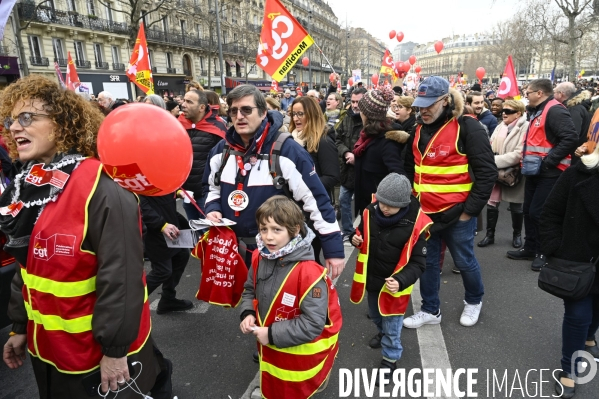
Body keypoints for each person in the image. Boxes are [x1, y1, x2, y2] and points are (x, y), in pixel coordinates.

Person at [0, 75, 172, 398]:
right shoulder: (31, 184)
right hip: (50, 355)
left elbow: (122, 277)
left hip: (99, 362)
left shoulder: (102, 187)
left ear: (63, 121)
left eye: (27, 118)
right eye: (11, 120)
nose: (14, 128)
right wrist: (20, 326)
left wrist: (116, 351)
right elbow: (29, 266)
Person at [203, 84, 345, 279]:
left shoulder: (287, 150)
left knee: (281, 306)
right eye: (234, 111)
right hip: (235, 252)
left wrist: (334, 249)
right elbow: (211, 188)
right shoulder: (220, 150)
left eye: (246, 109)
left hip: (280, 253)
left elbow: (316, 201)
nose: (239, 116)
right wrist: (213, 208)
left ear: (263, 113)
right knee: (247, 304)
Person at [403, 76, 496, 328]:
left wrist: (469, 212)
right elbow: (408, 169)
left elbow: (488, 174)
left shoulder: (468, 127)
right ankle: (431, 310)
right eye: (420, 105)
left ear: (445, 100)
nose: (423, 110)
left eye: (429, 105)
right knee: (428, 263)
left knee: (465, 261)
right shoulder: (418, 128)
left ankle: (474, 300)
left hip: (458, 214)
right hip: (426, 214)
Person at [238, 196, 341, 398]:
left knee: (294, 388)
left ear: (294, 231)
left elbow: (313, 323)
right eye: (263, 229)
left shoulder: (310, 274)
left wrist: (272, 334)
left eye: (277, 230)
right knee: (273, 376)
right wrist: (248, 312)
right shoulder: (260, 256)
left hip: (299, 357)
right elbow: (250, 288)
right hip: (271, 343)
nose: (268, 237)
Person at [350, 173, 431, 380]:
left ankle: (390, 359)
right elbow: (360, 233)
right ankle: (382, 333)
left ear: (403, 204)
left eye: (390, 205)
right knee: (375, 315)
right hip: (372, 280)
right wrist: (356, 239)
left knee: (392, 324)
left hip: (394, 286)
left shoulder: (415, 225)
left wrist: (401, 280)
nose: (384, 208)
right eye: (382, 202)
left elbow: (418, 263)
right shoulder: (371, 212)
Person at [539, 142, 599, 399]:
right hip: (576, 258)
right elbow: (549, 213)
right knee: (578, 313)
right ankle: (570, 369)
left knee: (596, 307)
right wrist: (556, 248)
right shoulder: (577, 174)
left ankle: (588, 338)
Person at [506, 79, 578, 272]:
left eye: (528, 92)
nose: (525, 95)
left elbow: (570, 138)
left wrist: (549, 162)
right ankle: (530, 247)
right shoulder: (538, 110)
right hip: (535, 171)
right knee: (529, 210)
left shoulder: (554, 110)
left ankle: (542, 251)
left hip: (550, 172)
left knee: (540, 213)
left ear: (539, 93)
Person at [289, 96, 340, 262]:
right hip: (291, 210)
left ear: (311, 115)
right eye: (293, 114)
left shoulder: (323, 141)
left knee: (309, 259)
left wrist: (304, 189)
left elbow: (332, 177)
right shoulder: (289, 141)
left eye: (300, 114)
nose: (296, 118)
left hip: (313, 212)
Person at [477, 100, 528, 248]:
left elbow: (519, 153)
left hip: (514, 172)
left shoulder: (525, 127)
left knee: (516, 205)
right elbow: (490, 144)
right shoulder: (500, 126)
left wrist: (493, 160)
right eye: (503, 110)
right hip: (496, 171)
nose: (504, 113)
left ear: (518, 113)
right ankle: (490, 235)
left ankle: (517, 235)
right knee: (492, 204)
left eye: (509, 111)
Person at [353, 86, 408, 217]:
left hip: (379, 211)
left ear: (367, 114)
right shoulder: (368, 136)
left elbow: (398, 176)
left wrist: (383, 205)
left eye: (361, 110)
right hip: (367, 206)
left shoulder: (387, 141)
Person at [179, 89, 226, 220]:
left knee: (208, 234)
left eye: (189, 102)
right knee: (193, 231)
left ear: (201, 107)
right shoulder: (178, 124)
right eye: (183, 100)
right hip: (186, 193)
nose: (183, 104)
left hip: (207, 194)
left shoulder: (217, 126)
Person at [336, 87, 366, 245]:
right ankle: (348, 231)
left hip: (363, 173)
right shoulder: (346, 118)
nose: (354, 105)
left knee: (365, 204)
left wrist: (358, 158)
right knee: (343, 200)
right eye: (353, 101)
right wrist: (346, 153)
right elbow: (338, 139)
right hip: (347, 170)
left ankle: (365, 231)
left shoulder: (370, 120)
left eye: (358, 102)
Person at [554, 82, 592, 164]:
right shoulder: (575, 107)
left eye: (555, 92)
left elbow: (572, 136)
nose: (553, 95)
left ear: (561, 94)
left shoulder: (574, 110)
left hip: (573, 158)